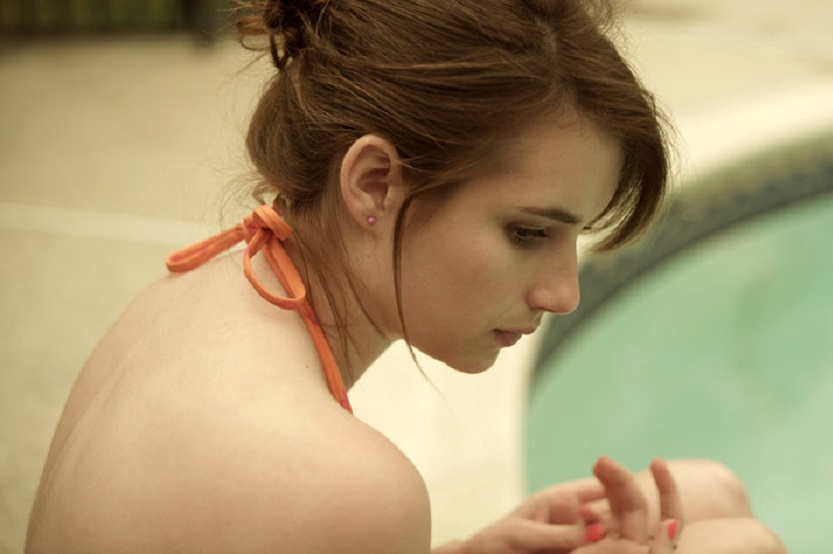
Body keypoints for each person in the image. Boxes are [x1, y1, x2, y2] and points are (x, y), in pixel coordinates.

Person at [26, 1, 785, 553]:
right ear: (374, 183)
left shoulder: (191, 288)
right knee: (740, 544)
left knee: (708, 493)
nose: (563, 293)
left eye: (570, 239)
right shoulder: (345, 485)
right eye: (527, 233)